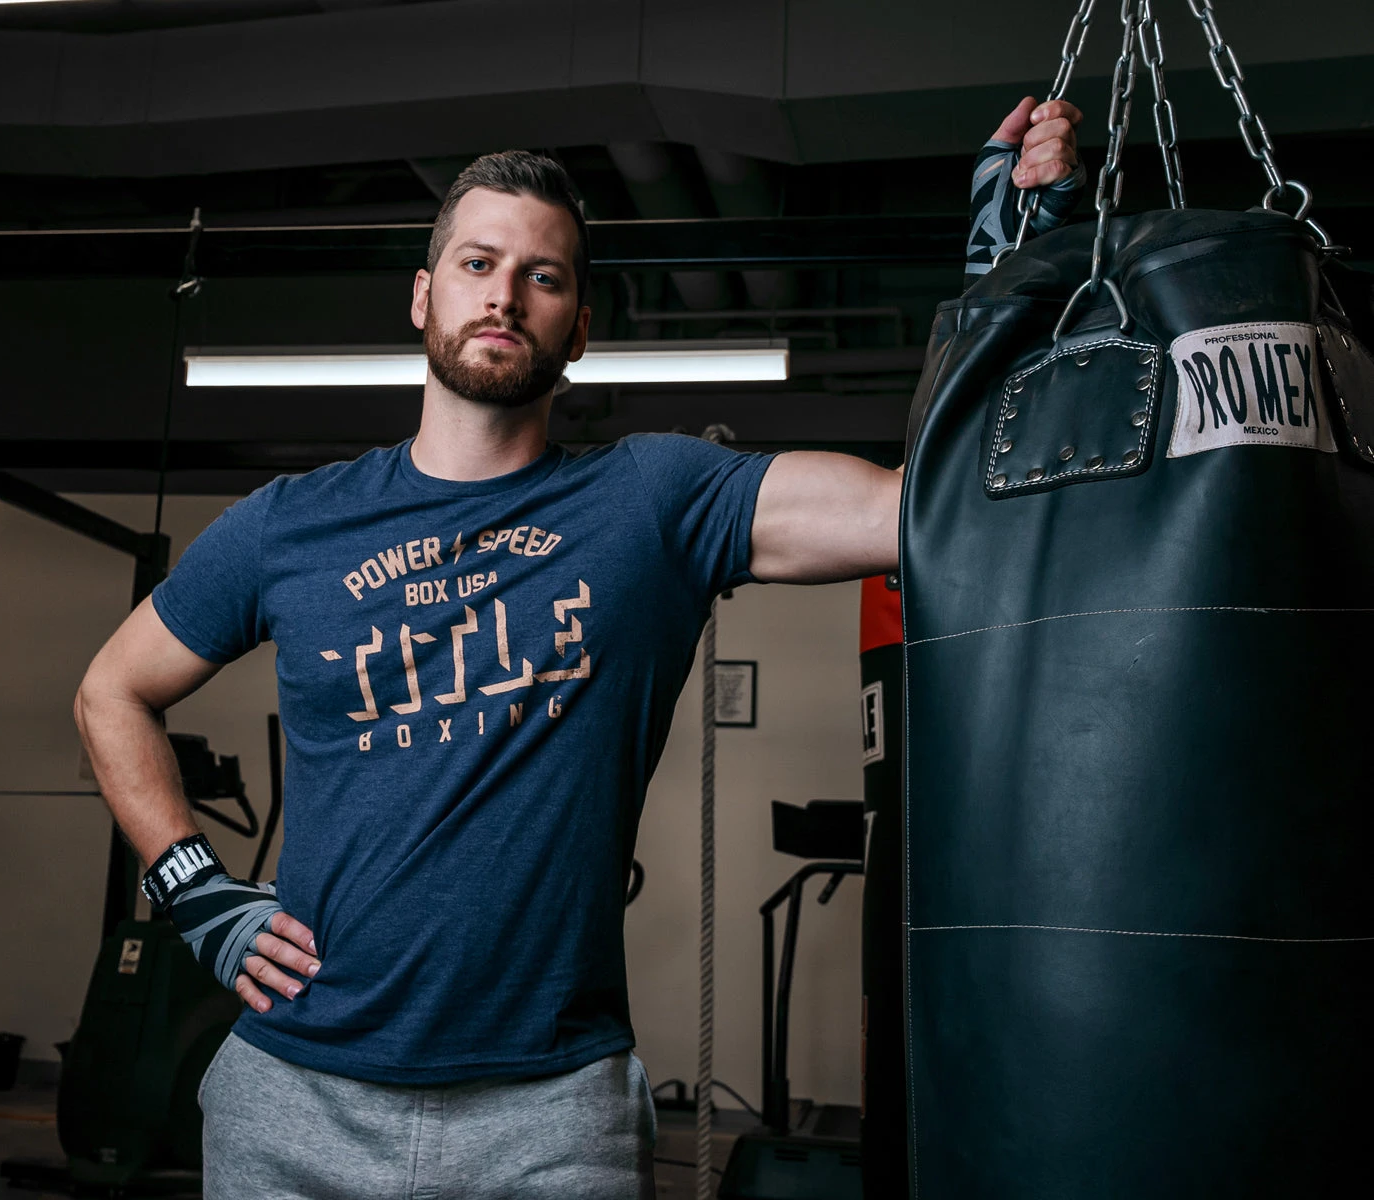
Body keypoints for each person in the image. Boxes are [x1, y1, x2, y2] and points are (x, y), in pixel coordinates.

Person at [74, 95, 1082, 1199]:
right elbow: (111, 692)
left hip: (550, 1116)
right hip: (295, 1097)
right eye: (477, 263)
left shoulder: (653, 501)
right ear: (423, 294)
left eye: (542, 276)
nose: (503, 295)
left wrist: (1012, 282)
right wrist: (198, 894)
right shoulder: (288, 525)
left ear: (581, 326)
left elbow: (914, 511)